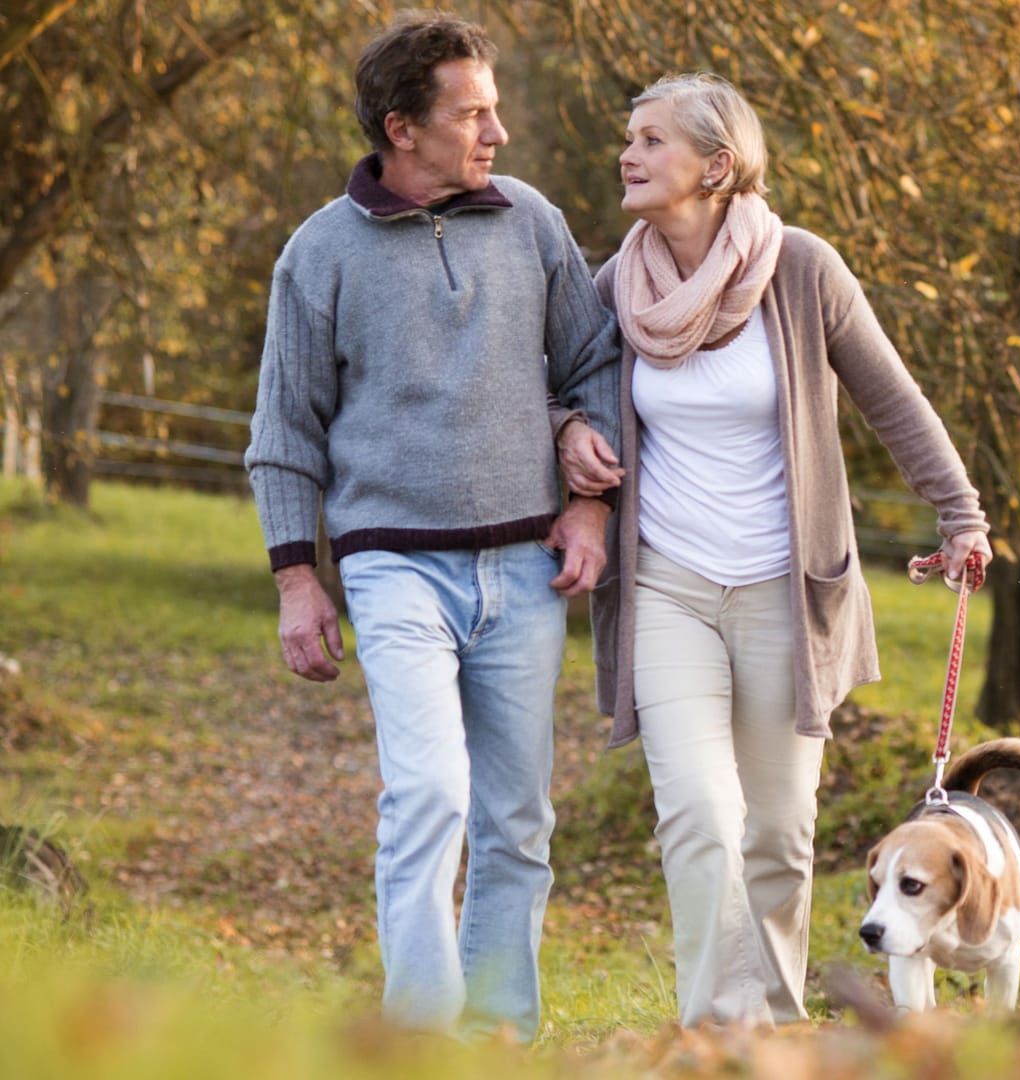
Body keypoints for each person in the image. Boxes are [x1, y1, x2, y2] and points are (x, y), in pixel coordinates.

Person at [556, 72, 992, 1027]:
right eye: (627, 139)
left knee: (782, 834)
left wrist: (960, 514)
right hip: (667, 585)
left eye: (649, 140)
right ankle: (722, 1032)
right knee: (700, 818)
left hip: (786, 595)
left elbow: (891, 396)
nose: (626, 156)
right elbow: (558, 384)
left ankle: (778, 1027)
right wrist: (564, 435)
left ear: (717, 166)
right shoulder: (613, 285)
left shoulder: (800, 269)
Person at [244, 14, 622, 1042]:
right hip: (393, 569)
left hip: (524, 568)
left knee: (517, 819)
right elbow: (284, 427)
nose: (496, 131)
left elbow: (594, 364)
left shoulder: (534, 222)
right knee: (427, 791)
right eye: (473, 114)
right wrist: (294, 578)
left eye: (495, 109)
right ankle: (417, 1041)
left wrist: (590, 502)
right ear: (402, 129)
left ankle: (496, 1036)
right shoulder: (319, 252)